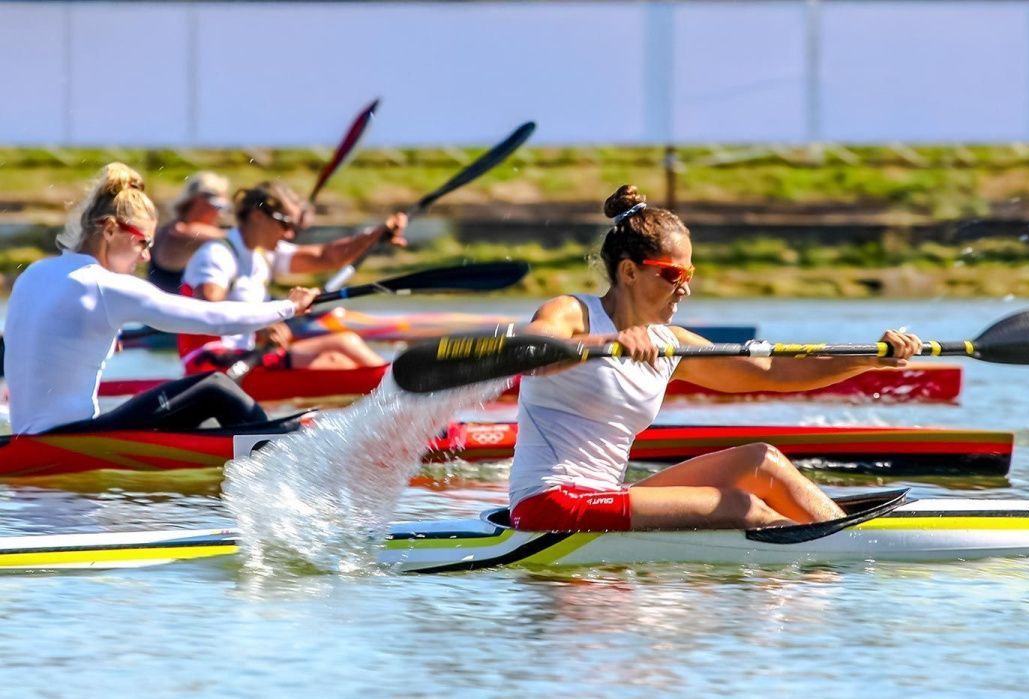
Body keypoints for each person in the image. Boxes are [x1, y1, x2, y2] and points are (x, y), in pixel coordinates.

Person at [508, 184, 923, 532]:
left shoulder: (670, 343)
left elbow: (775, 371)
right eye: (672, 275)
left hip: (607, 498)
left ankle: (846, 536)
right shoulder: (573, 313)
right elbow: (530, 351)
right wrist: (607, 344)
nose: (684, 289)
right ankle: (844, 553)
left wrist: (870, 357)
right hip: (550, 504)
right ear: (629, 272)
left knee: (762, 461)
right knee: (742, 508)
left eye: (689, 276)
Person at [2, 163, 321, 435]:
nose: (146, 256)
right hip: (73, 440)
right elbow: (215, 320)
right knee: (215, 388)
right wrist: (288, 307)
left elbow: (43, 339)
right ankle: (273, 453)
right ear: (111, 230)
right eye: (143, 243)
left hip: (27, 437)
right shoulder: (108, 286)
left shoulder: (35, 272)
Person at [177, 181, 407, 373]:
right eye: (285, 223)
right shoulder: (218, 254)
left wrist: (376, 235)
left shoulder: (263, 253)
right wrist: (260, 325)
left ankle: (392, 386)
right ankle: (402, 387)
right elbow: (209, 308)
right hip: (212, 362)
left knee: (340, 360)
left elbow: (324, 257)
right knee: (343, 345)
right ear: (258, 216)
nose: (289, 234)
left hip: (247, 359)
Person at [146, 171, 231, 293]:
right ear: (197, 202)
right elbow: (236, 238)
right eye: (219, 206)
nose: (221, 214)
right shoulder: (178, 232)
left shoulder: (167, 228)